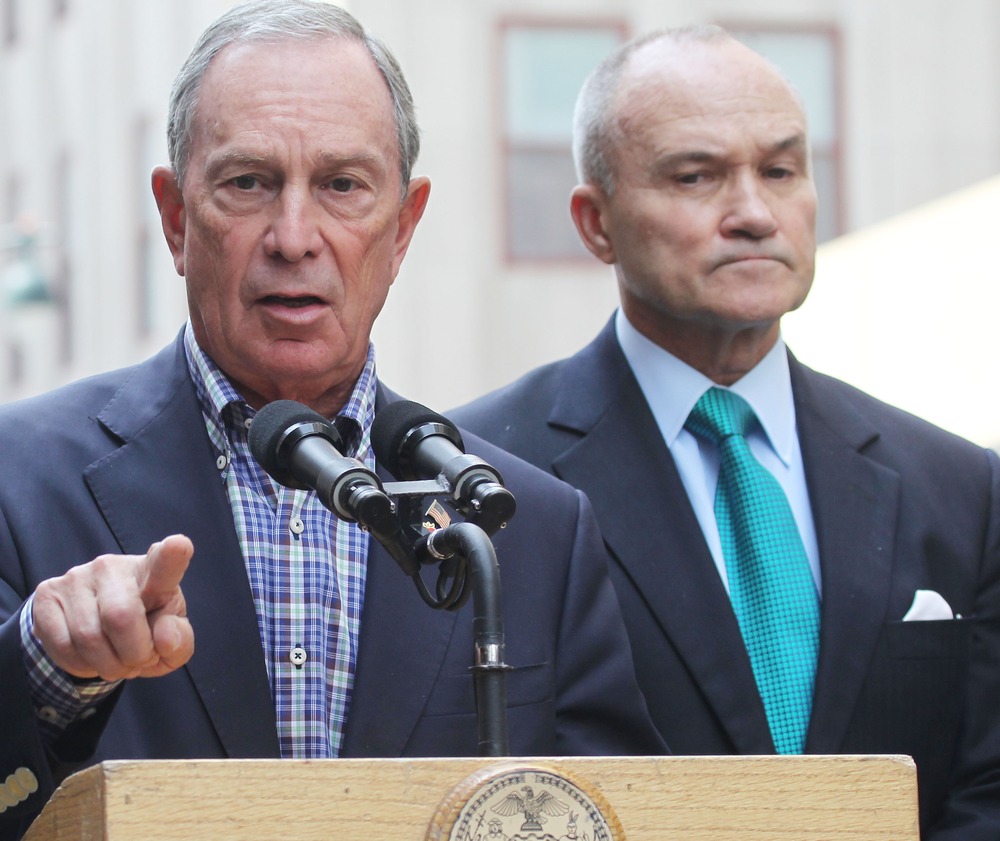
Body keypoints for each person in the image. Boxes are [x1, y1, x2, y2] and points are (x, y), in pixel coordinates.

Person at [0, 2, 664, 837]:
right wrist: (47, 667)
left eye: (342, 186)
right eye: (248, 183)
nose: (294, 237)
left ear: (403, 227)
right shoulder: (18, 483)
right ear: (175, 219)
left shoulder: (533, 531)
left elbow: (619, 808)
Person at [451, 26, 1000, 840]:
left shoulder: (961, 488)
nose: (753, 213)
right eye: (696, 176)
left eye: (780, 170)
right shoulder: (481, 477)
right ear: (595, 222)